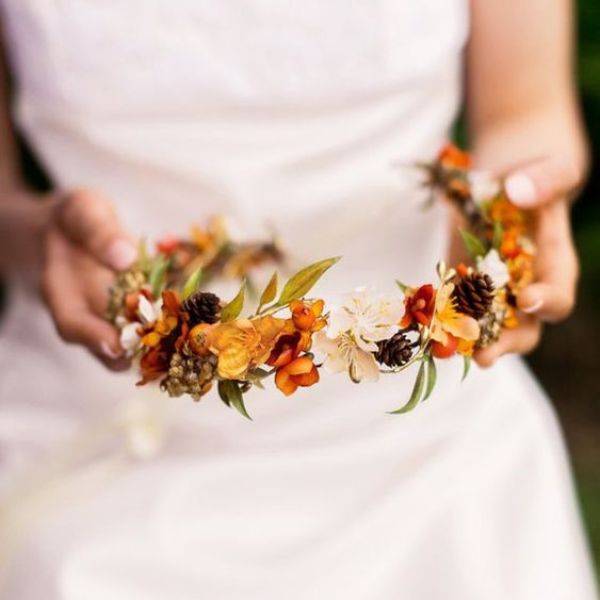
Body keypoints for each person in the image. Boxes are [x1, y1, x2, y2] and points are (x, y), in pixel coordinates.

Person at [0, 1, 597, 598]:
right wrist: (36, 240)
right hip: (92, 438)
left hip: (434, 451)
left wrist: (515, 211)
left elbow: (525, 111)